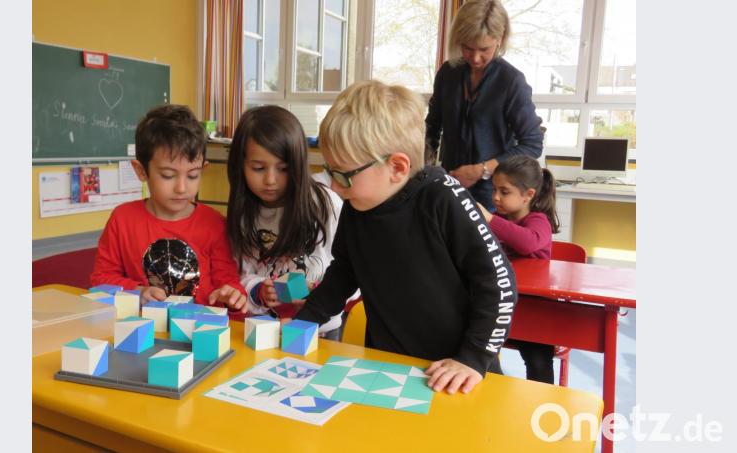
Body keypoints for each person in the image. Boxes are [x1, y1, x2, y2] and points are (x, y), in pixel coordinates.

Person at [293, 80, 517, 394]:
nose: (333, 187)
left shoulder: (443, 198)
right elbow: (343, 274)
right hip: (389, 368)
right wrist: (304, 322)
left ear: (397, 167)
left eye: (343, 175)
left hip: (457, 373)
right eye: (330, 172)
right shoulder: (358, 207)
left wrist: (474, 357)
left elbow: (498, 283)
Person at [90, 104, 247, 315]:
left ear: (203, 170)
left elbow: (227, 281)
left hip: (200, 333)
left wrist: (233, 296)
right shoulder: (123, 219)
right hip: (142, 330)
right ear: (141, 170)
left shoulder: (214, 223)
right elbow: (100, 281)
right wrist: (138, 291)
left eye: (192, 175)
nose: (182, 188)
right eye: (167, 175)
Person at [225, 106, 344, 338]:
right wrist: (260, 290)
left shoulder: (326, 204)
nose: (270, 180)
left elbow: (351, 272)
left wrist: (322, 295)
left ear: (299, 164)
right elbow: (241, 273)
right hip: (266, 327)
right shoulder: (243, 213)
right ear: (241, 165)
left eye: (283, 169)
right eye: (258, 168)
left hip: (322, 328)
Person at [425, 0, 543, 210]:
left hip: (495, 197)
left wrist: (481, 170)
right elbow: (432, 127)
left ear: (500, 39)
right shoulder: (447, 73)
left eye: (484, 49)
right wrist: (423, 168)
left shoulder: (511, 82)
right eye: (467, 48)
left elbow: (532, 144)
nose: (475, 58)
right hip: (449, 186)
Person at [477, 155, 559, 384]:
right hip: (503, 306)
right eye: (494, 189)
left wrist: (490, 220)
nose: (495, 197)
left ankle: (542, 404)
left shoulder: (538, 221)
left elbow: (528, 242)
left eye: (504, 192)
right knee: (481, 349)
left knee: (538, 360)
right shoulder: (501, 219)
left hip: (534, 311)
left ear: (528, 195)